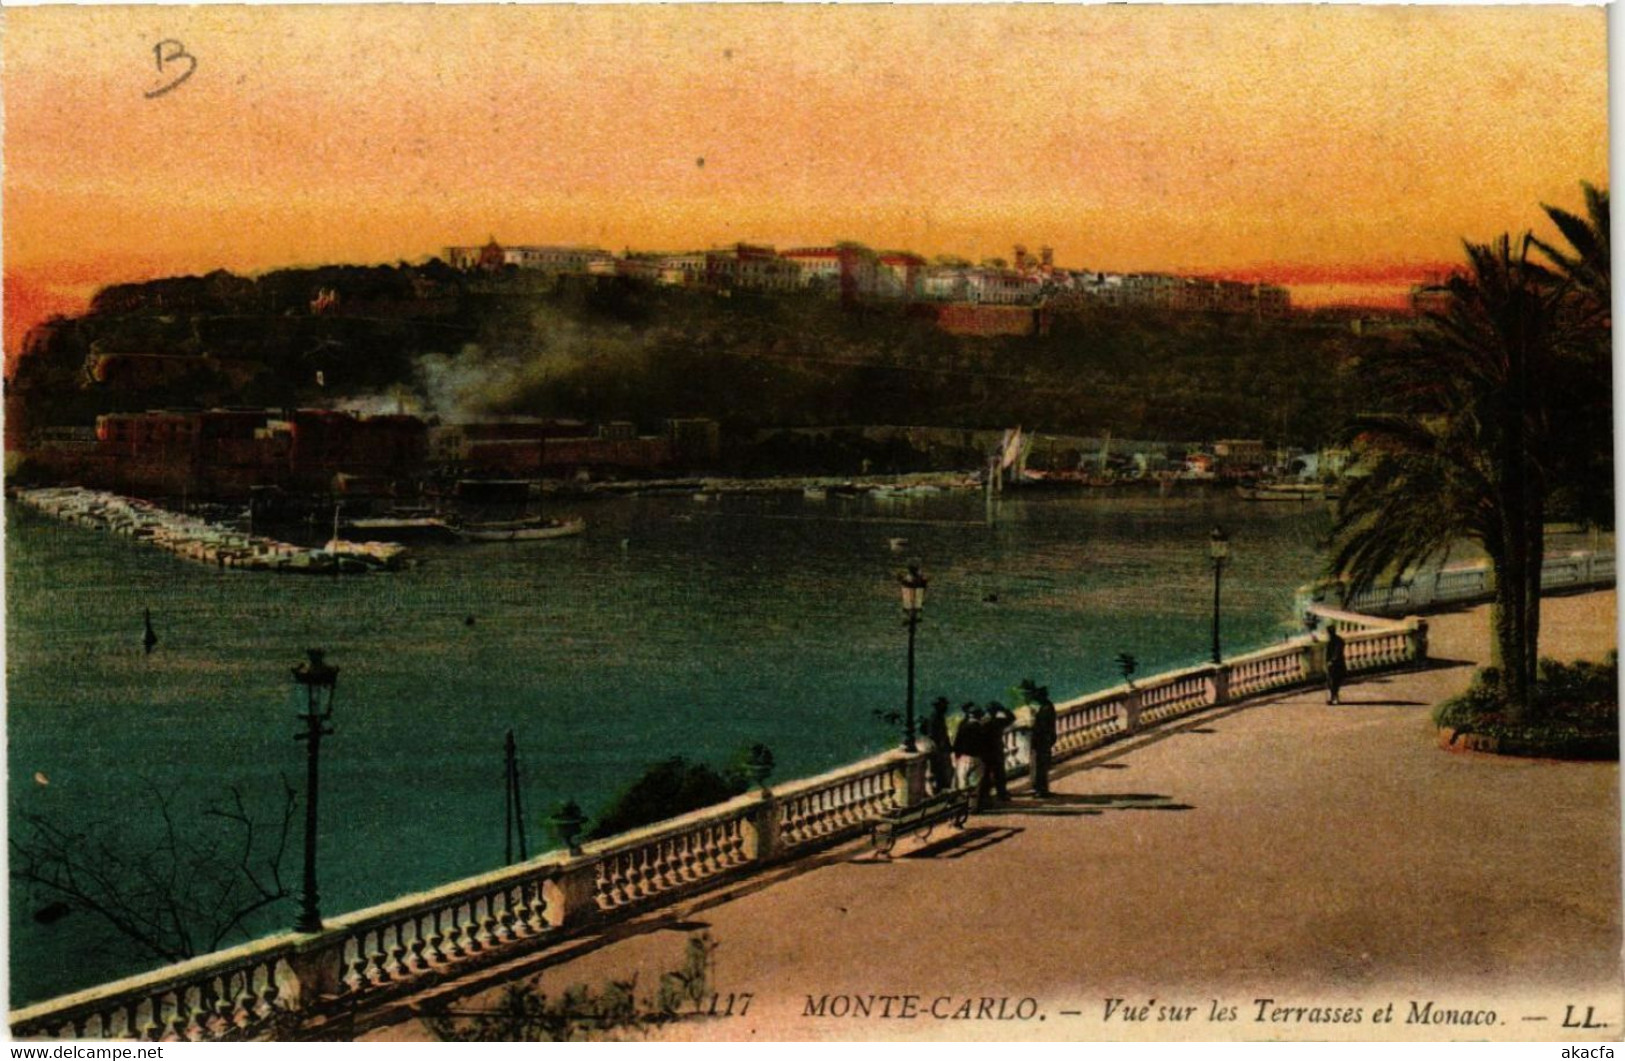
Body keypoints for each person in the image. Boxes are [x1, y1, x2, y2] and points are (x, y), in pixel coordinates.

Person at [981, 701, 1015, 805]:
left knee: (986, 775)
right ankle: (1002, 794)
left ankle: (986, 797)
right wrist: (1004, 709)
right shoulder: (998, 721)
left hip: (986, 752)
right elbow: (1012, 718)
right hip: (996, 750)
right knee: (999, 774)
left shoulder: (983, 722)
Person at [1026, 685, 1057, 798]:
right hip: (1045, 739)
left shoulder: (1044, 709)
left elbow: (1039, 726)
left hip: (1040, 740)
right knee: (1042, 765)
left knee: (1039, 765)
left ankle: (1040, 790)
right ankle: (1041, 789)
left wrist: (1031, 722)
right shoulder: (1048, 706)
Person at [952, 703, 984, 796]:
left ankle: (964, 805)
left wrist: (957, 757)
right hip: (977, 758)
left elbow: (956, 744)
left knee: (963, 784)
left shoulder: (963, 726)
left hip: (963, 758)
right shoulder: (981, 728)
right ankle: (972, 808)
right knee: (974, 786)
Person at [924, 697, 954, 794]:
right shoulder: (936, 718)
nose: (946, 707)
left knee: (941, 771)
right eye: (944, 705)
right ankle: (939, 789)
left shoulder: (937, 717)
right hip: (939, 750)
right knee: (940, 771)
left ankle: (940, 789)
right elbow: (935, 735)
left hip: (940, 749)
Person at [1326, 626, 1348, 705]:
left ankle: (1335, 698)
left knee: (1334, 682)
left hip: (1336, 665)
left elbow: (1337, 653)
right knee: (1331, 682)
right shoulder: (1335, 640)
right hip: (1333, 665)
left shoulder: (1337, 641)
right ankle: (1333, 698)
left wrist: (1332, 661)